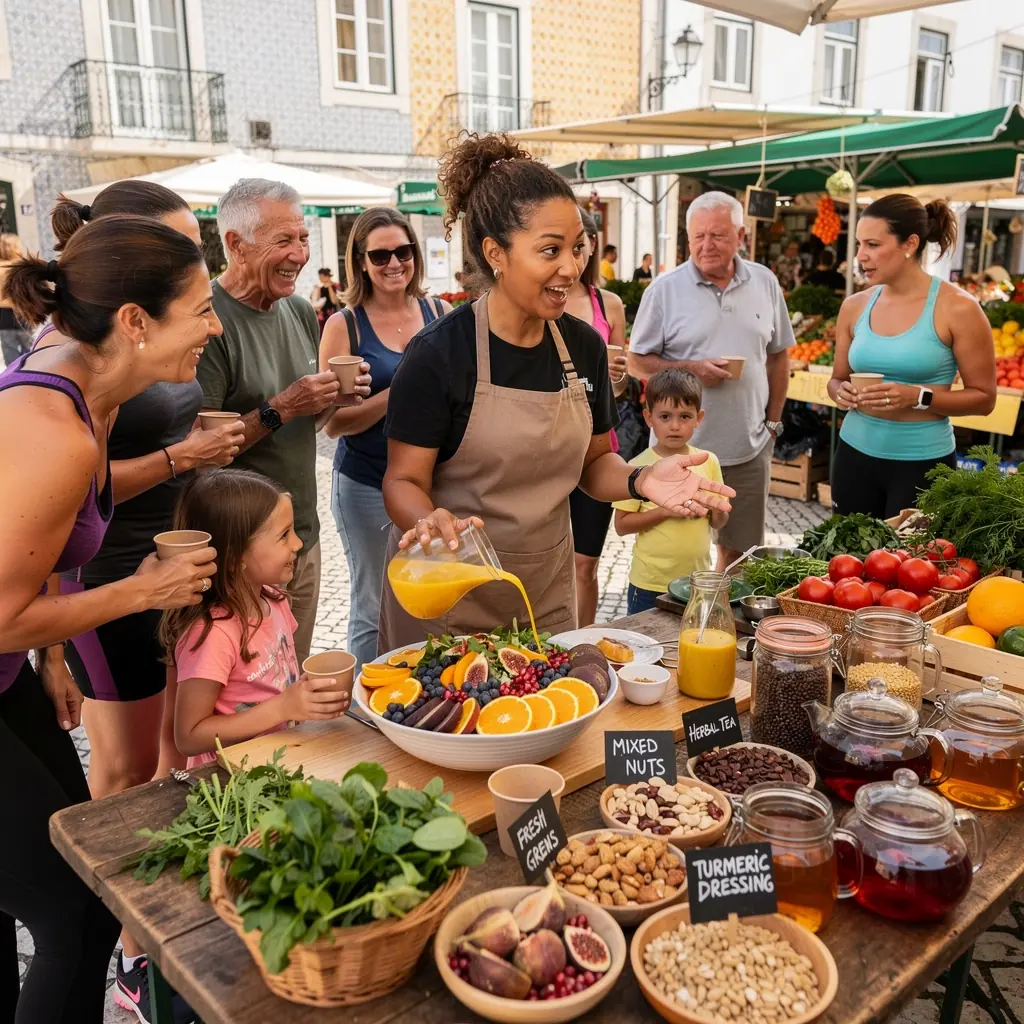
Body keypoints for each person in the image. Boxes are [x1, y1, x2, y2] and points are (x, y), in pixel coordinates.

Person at [377, 133, 735, 650]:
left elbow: (593, 465)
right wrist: (427, 519)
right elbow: (402, 481)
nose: (570, 268)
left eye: (575, 249)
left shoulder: (583, 346)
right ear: (495, 253)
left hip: (543, 593)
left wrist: (642, 480)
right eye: (550, 251)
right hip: (447, 594)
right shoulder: (438, 354)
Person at [0, 215, 219, 1024]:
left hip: (10, 672)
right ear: (135, 322)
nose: (214, 323)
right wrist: (142, 589)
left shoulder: (90, 382)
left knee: (74, 865)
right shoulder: (54, 423)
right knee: (75, 913)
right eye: (199, 308)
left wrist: (53, 656)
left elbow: (48, 526)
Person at [195, 178, 371, 664]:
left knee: (292, 679)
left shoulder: (296, 309)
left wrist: (333, 400)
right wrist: (284, 406)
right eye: (284, 240)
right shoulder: (209, 322)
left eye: (303, 238)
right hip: (240, 551)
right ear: (235, 244)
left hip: (301, 538)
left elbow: (303, 427)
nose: (300, 254)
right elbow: (203, 455)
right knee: (251, 695)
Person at [628, 190, 794, 571]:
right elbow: (637, 362)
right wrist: (693, 370)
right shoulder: (664, 290)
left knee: (740, 555)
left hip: (750, 447)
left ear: (741, 236)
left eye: (717, 236)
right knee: (677, 554)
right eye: (698, 236)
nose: (706, 246)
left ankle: (724, 623)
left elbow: (779, 356)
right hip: (679, 454)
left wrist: (773, 423)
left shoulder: (765, 282)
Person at [320, 208, 449, 669]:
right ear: (360, 261)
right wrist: (400, 394)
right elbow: (334, 423)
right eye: (380, 255)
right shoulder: (345, 325)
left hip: (427, 483)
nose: (394, 263)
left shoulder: (439, 313)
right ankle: (363, 709)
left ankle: (416, 694)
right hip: (366, 484)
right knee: (373, 602)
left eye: (403, 251)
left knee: (429, 596)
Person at [162, 469, 351, 767]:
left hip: (279, 761)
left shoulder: (272, 599)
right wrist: (282, 708)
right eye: (284, 535)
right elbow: (188, 737)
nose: (298, 544)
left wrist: (305, 698)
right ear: (237, 556)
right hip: (233, 780)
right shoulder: (213, 635)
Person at [828, 195, 996, 517]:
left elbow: (985, 399)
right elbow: (837, 379)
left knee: (911, 566)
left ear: (910, 243)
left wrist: (917, 397)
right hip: (852, 457)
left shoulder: (959, 308)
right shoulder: (854, 306)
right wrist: (841, 392)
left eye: (873, 245)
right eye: (859, 244)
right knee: (845, 562)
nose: (861, 256)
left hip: (923, 466)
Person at [613, 369, 728, 615]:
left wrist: (715, 510)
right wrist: (666, 511)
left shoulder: (707, 461)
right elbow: (622, 525)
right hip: (649, 583)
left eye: (684, 416)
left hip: (694, 582)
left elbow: (719, 521)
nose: (674, 426)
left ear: (699, 418)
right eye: (665, 416)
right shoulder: (636, 467)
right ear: (648, 417)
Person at [565, 208, 628, 628]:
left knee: (585, 562)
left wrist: (617, 378)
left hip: (596, 448)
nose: (578, 251)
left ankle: (579, 647)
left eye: (584, 241)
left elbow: (617, 390)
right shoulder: (539, 299)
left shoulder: (609, 304)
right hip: (547, 446)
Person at [0, 234, 31, 365]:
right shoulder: (23, 268)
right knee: (30, 352)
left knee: (10, 353)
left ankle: (14, 381)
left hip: (3, 315)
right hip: (24, 312)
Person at [310, 266, 341, 332]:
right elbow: (316, 301)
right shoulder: (320, 287)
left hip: (332, 314)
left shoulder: (335, 286)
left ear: (327, 276)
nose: (320, 278)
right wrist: (317, 290)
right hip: (322, 316)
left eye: (321, 276)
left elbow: (334, 301)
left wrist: (329, 287)